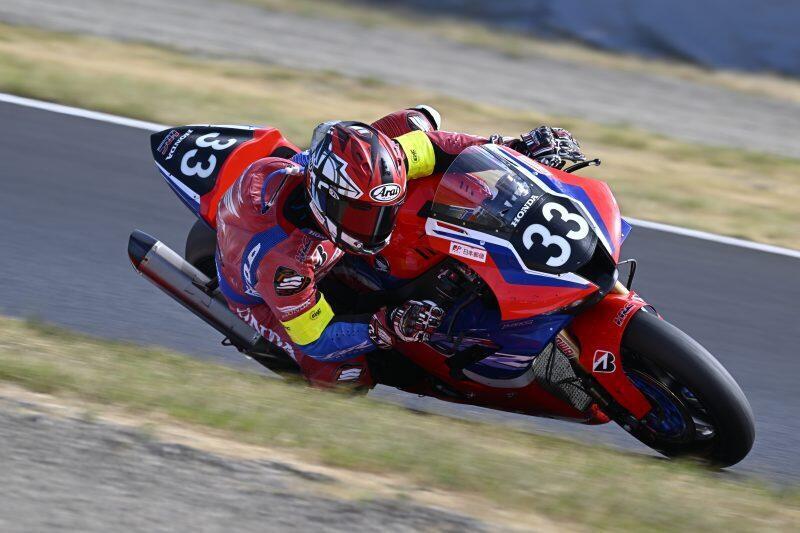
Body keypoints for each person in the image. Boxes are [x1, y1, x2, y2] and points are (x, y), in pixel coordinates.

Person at [215, 106, 585, 389]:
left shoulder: (376, 172)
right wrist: (385, 325)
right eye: (362, 215)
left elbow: (433, 147)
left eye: (383, 212)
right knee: (344, 376)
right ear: (327, 201)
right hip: (257, 296)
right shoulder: (285, 265)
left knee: (417, 122)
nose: (377, 227)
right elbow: (317, 338)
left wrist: (513, 148)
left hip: (309, 199)